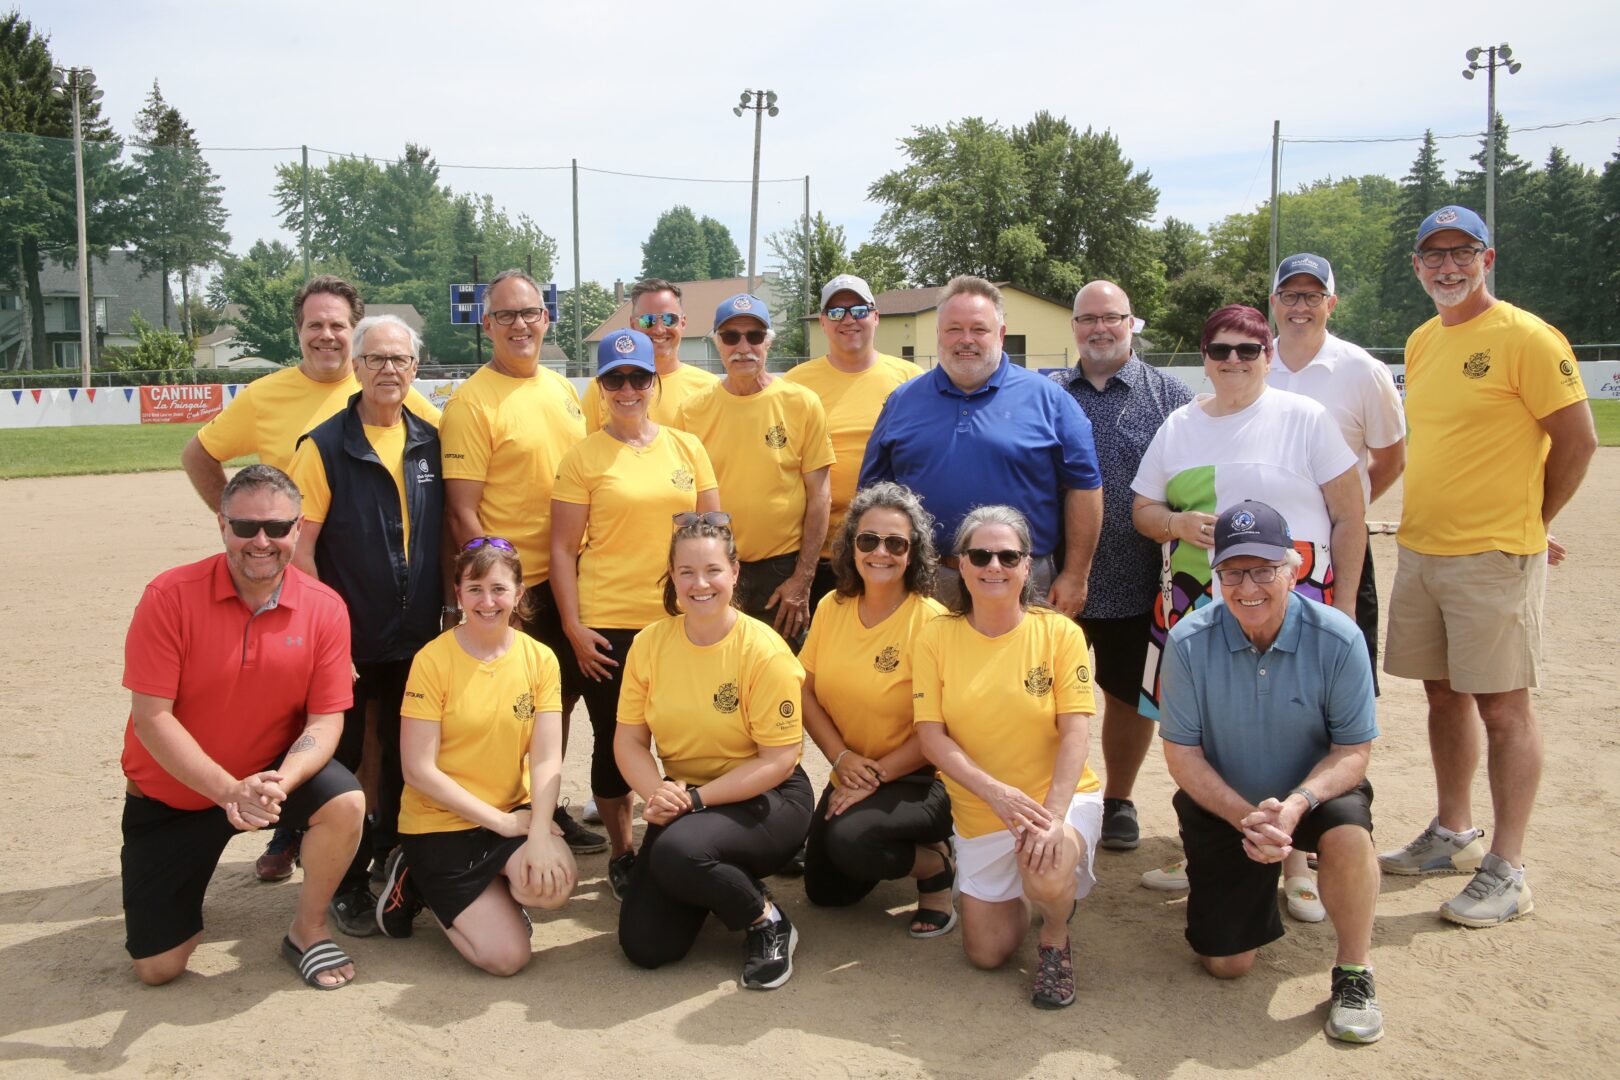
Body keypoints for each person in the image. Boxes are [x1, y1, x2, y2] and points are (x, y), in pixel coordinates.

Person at [1378, 205, 1596, 926]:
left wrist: (1532, 523)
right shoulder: (1421, 341)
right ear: (1417, 267)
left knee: (1504, 707)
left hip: (1491, 555)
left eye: (1461, 253)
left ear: (1487, 259)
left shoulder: (1526, 337)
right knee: (1442, 697)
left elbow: (1578, 441)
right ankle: (1453, 833)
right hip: (1425, 547)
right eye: (1433, 256)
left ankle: (1509, 867)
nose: (1447, 267)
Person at [181, 274, 439, 883]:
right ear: (299, 332)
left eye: (337, 325)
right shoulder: (270, 397)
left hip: (391, 599)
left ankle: (370, 833)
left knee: (377, 727)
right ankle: (293, 831)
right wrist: (249, 530)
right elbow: (199, 454)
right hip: (299, 587)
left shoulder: (410, 408)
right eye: (314, 325)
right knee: (305, 718)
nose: (327, 335)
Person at [1130, 304, 1364, 900]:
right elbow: (1142, 512)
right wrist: (1177, 522)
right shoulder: (1179, 425)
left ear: (1267, 355)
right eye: (1220, 350)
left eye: (1248, 349)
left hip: (1295, 592)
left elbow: (1349, 517)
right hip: (1197, 600)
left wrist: (1343, 608)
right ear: (1203, 358)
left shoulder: (1304, 418)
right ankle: (1207, 844)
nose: (1233, 360)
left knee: (1300, 723)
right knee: (1208, 731)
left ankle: (1297, 863)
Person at [119, 465, 364, 989]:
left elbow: (326, 719)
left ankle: (308, 930)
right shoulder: (168, 596)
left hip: (268, 781)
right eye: (245, 526)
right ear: (221, 525)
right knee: (158, 968)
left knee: (345, 801)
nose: (262, 541)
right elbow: (151, 718)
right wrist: (228, 791)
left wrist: (284, 780)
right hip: (174, 799)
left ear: (297, 530)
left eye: (277, 528)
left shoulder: (324, 607)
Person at [1159, 501, 1384, 1044]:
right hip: (1227, 801)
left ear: (1293, 566)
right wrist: (1245, 818)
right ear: (1218, 575)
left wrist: (1299, 804)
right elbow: (1182, 755)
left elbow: (1353, 750)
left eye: (1264, 568)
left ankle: (1355, 971)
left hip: (1311, 793)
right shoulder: (1188, 641)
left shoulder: (1340, 637)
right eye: (1234, 571)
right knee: (1227, 964)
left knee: (1351, 833)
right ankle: (1243, 885)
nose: (1248, 586)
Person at [287, 313, 445, 933]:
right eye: (375, 359)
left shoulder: (428, 438)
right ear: (355, 368)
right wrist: (330, 634)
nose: (388, 370)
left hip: (416, 633)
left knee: (409, 755)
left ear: (415, 368)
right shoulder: (324, 445)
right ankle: (343, 882)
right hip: (348, 637)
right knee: (345, 758)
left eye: (400, 360)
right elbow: (300, 552)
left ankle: (394, 857)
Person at [550, 329, 721, 901]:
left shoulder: (686, 448)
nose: (627, 389)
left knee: (691, 731)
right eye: (614, 379)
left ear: (654, 383)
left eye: (638, 378)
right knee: (616, 739)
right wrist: (574, 626)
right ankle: (624, 852)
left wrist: (719, 611)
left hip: (680, 619)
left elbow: (714, 537)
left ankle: (688, 834)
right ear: (599, 388)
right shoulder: (582, 457)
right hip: (610, 624)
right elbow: (562, 550)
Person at [913, 505, 1104, 1010]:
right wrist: (994, 793)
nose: (993, 565)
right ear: (961, 564)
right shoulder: (936, 636)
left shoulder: (1059, 633)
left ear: (1027, 566)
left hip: (1054, 801)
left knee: (1045, 858)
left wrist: (1052, 817)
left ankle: (1055, 937)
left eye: (1007, 555)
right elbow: (932, 736)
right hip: (982, 812)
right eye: (980, 554)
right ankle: (1034, 890)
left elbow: (1076, 734)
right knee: (986, 953)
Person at [440, 268, 603, 854]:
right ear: (487, 326)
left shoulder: (560, 390)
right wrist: (502, 589)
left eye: (528, 312)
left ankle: (544, 806)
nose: (519, 324)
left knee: (556, 704)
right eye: (505, 315)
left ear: (546, 318)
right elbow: (464, 515)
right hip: (517, 589)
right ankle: (500, 817)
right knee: (511, 710)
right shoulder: (471, 402)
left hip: (572, 579)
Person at [613, 515, 812, 990]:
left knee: (681, 850)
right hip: (685, 802)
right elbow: (629, 740)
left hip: (769, 796)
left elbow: (778, 759)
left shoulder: (763, 651)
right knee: (645, 947)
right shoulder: (650, 643)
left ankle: (766, 921)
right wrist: (657, 792)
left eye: (712, 570)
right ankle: (715, 878)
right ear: (672, 576)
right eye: (686, 572)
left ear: (735, 573)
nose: (699, 584)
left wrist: (693, 802)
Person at [1265, 253, 1407, 919]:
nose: (1300, 306)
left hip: (1336, 559)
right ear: (1273, 302)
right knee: (1257, 694)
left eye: (1311, 295)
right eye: (1289, 294)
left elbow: (1391, 452)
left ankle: (1314, 847)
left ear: (1332, 301)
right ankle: (1257, 835)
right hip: (1262, 562)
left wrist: (1345, 508)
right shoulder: (1253, 358)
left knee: (1329, 701)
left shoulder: (1360, 370)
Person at [374, 536, 575, 974]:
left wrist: (539, 830)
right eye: (475, 589)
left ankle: (491, 893)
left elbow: (545, 758)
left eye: (499, 589)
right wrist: (503, 824)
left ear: (519, 594)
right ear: (459, 593)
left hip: (510, 811)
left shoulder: (540, 659)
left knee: (552, 887)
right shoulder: (433, 660)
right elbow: (418, 770)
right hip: (441, 823)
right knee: (507, 959)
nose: (488, 601)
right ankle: (417, 880)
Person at [859, 276, 1102, 617]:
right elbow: (873, 496)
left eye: (979, 329)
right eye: (954, 329)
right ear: (939, 334)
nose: (966, 340)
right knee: (927, 672)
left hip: (1022, 579)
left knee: (1020, 671)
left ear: (1000, 335)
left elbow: (1085, 487)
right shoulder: (902, 402)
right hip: (927, 580)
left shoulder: (1050, 400)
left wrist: (1076, 575)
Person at [1048, 280, 1192, 853]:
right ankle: (1046, 793)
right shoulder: (1049, 390)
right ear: (1075, 326)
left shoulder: (1171, 397)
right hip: (1053, 580)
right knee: (1043, 694)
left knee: (1130, 698)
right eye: (1088, 319)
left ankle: (1119, 799)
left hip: (1137, 580)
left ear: (1133, 323)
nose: (1099, 328)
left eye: (1112, 317)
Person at [800, 482, 953, 935]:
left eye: (895, 543)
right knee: (826, 892)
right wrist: (842, 760)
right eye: (868, 540)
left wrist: (875, 777)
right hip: (855, 771)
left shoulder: (931, 623)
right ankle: (900, 836)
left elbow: (938, 730)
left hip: (922, 778)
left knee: (852, 841)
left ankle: (935, 867)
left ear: (913, 552)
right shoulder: (833, 605)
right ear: (851, 546)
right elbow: (804, 692)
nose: (880, 552)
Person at [677, 294, 833, 644]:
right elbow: (682, 499)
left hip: (780, 572)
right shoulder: (692, 410)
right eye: (731, 336)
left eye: (754, 336)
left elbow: (820, 495)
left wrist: (802, 578)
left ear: (769, 342)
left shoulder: (802, 403)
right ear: (716, 342)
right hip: (713, 570)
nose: (743, 346)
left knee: (780, 679)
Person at [783, 274, 920, 603]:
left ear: (875, 316)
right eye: (835, 313)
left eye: (858, 310)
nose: (847, 320)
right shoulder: (795, 384)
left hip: (890, 549)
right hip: (819, 553)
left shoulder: (912, 381)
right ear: (822, 323)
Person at [579, 278, 719, 432]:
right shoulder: (605, 388)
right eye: (648, 320)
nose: (659, 329)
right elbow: (585, 448)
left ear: (683, 322)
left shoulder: (710, 388)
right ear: (633, 325)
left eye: (669, 319)